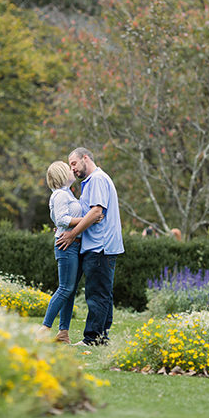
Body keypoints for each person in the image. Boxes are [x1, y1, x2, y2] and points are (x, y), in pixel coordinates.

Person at [56, 147, 123, 346]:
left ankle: (92, 339)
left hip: (100, 246)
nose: (72, 169)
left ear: (85, 158)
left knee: (96, 294)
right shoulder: (91, 182)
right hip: (98, 246)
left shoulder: (97, 179)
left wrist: (71, 235)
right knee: (103, 293)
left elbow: (96, 212)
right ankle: (101, 338)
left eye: (74, 163)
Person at [34, 161, 89, 344]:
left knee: (70, 290)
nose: (73, 171)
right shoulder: (59, 195)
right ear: (62, 174)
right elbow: (62, 220)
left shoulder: (67, 194)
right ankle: (44, 329)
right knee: (65, 288)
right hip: (66, 246)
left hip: (74, 245)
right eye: (68, 169)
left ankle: (63, 334)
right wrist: (88, 219)